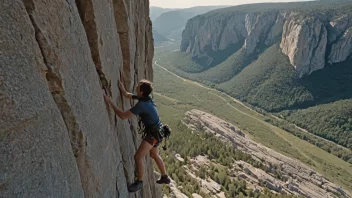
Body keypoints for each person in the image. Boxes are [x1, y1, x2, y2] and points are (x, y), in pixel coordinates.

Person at [104, 79, 171, 193]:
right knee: (154, 154)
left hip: (153, 135)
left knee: (138, 157)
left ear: (141, 91)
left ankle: (139, 182)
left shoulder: (142, 105)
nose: (136, 87)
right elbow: (129, 96)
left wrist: (110, 103)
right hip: (159, 132)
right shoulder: (146, 98)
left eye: (138, 86)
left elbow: (123, 116)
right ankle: (165, 176)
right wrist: (123, 90)